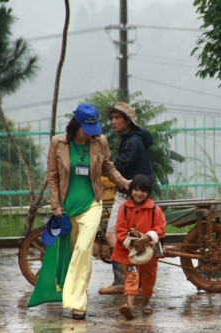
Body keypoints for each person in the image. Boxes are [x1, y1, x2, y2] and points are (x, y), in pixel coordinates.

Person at [28, 103, 130, 320]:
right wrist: (55, 205)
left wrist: (124, 183)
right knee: (74, 253)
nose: (90, 134)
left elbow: (107, 167)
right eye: (86, 128)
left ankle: (77, 303)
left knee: (84, 249)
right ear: (76, 125)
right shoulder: (58, 143)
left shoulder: (99, 141)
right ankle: (76, 292)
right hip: (67, 208)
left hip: (91, 203)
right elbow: (53, 177)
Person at [98, 102, 155, 295]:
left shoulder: (131, 142)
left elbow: (121, 166)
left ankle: (121, 280)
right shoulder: (135, 139)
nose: (113, 122)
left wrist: (104, 165)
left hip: (128, 195)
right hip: (140, 193)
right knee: (127, 236)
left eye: (117, 118)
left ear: (128, 121)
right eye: (112, 118)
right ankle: (131, 278)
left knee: (112, 235)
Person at [111, 174, 166, 319]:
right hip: (131, 255)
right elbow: (120, 231)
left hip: (150, 254)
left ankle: (146, 302)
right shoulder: (124, 208)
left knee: (149, 278)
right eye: (136, 189)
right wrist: (133, 243)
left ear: (148, 192)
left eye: (143, 190)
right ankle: (129, 305)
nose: (139, 193)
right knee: (131, 275)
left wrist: (147, 238)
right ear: (131, 191)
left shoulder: (155, 209)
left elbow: (160, 228)